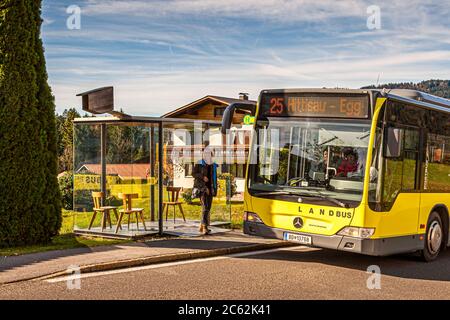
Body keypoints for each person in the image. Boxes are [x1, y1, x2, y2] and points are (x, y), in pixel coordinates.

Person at [192, 146, 218, 235]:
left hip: (211, 188)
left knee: (208, 207)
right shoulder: (199, 163)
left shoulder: (213, 165)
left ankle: (201, 225)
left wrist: (214, 188)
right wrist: (203, 177)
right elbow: (194, 173)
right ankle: (204, 227)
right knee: (205, 207)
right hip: (202, 187)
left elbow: (214, 177)